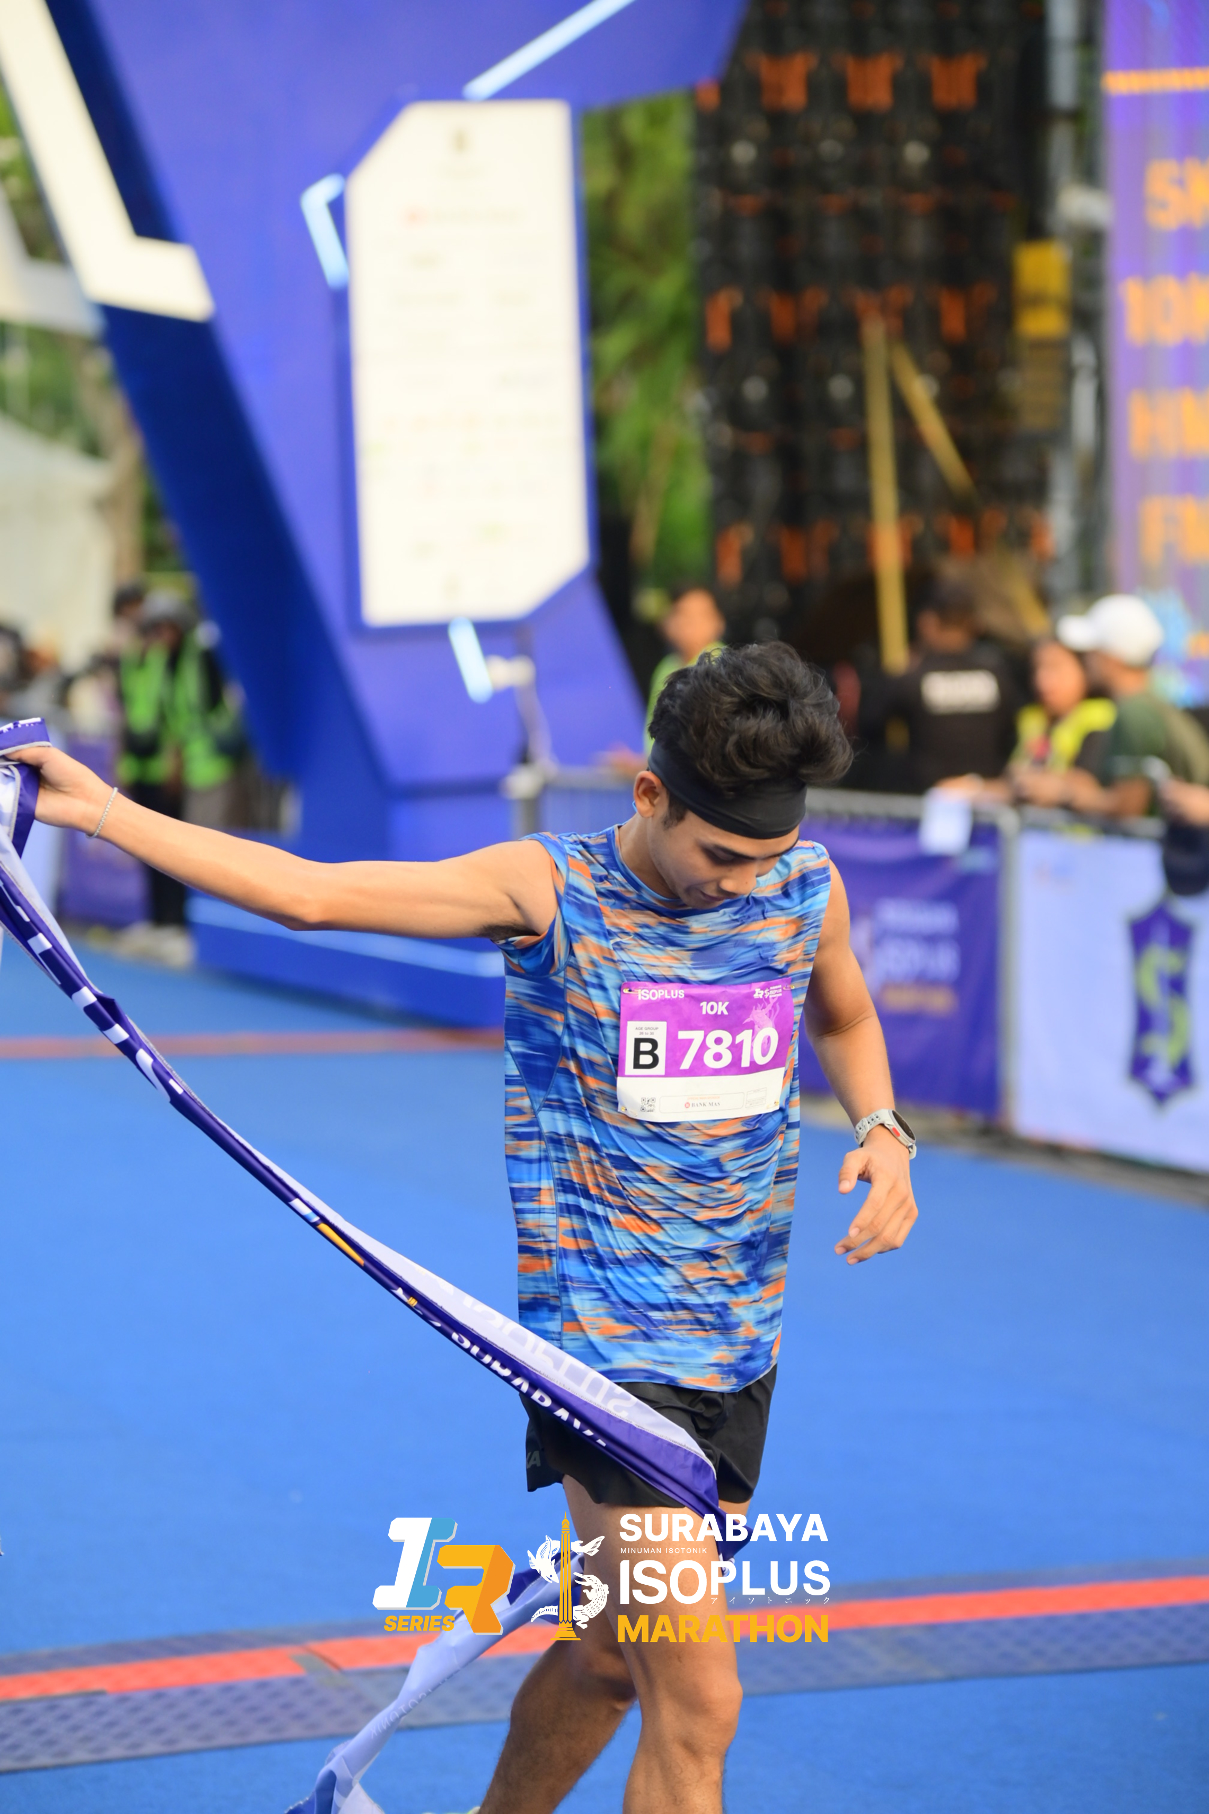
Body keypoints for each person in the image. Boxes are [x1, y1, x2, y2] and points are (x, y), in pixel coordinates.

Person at [14, 643, 919, 1814]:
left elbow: (842, 1012)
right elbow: (311, 894)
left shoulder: (803, 883)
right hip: (604, 1355)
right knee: (699, 1700)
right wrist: (107, 811)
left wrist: (883, 1127)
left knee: (610, 1658)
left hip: (742, 1340)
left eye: (768, 855)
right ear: (651, 794)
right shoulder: (548, 889)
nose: (747, 882)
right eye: (722, 855)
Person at [1017, 594, 1209, 817]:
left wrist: (1062, 793)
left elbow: (1127, 808)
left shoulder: (1135, 713)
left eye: (1092, 650)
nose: (1086, 659)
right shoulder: (1146, 705)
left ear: (1111, 657)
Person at [860, 578, 1019, 792]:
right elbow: (1013, 734)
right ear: (975, 623)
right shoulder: (998, 674)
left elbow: (868, 723)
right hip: (989, 798)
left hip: (929, 800)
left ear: (927, 623)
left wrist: (895, 672)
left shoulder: (913, 677)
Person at [938, 635, 1116, 802]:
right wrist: (972, 787)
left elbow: (1088, 788)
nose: (1042, 680)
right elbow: (1011, 786)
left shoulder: (1102, 718)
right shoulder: (1031, 719)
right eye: (1037, 668)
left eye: (1055, 668)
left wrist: (1043, 783)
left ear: (1085, 669)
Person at [116, 591, 194, 955]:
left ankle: (176, 923)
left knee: (171, 846)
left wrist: (175, 762)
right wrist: (121, 762)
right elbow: (125, 712)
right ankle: (157, 920)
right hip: (138, 765)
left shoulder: (170, 659)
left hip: (164, 767)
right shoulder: (131, 657)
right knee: (144, 846)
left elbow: (176, 712)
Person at [606, 584, 726, 777]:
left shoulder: (725, 666)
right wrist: (640, 762)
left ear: (718, 622)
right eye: (683, 615)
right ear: (667, 623)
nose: (690, 624)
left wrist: (640, 764)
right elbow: (655, 736)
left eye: (700, 615)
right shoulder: (666, 667)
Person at [172, 618, 245, 829]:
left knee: (217, 834)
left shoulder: (203, 653)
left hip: (219, 763)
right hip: (196, 769)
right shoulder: (183, 660)